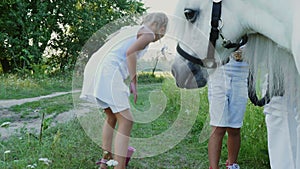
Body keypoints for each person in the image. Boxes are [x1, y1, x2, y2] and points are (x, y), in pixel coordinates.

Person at [80, 12, 168, 169]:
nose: (162, 35)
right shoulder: (148, 33)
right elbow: (130, 53)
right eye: (164, 30)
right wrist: (134, 80)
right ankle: (119, 166)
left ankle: (105, 162)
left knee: (111, 117)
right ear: (159, 26)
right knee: (126, 120)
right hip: (108, 70)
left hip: (96, 66)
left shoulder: (131, 29)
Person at [207, 47, 249, 169]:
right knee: (218, 127)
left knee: (235, 127)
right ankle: (213, 167)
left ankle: (232, 164)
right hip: (219, 73)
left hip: (241, 74)